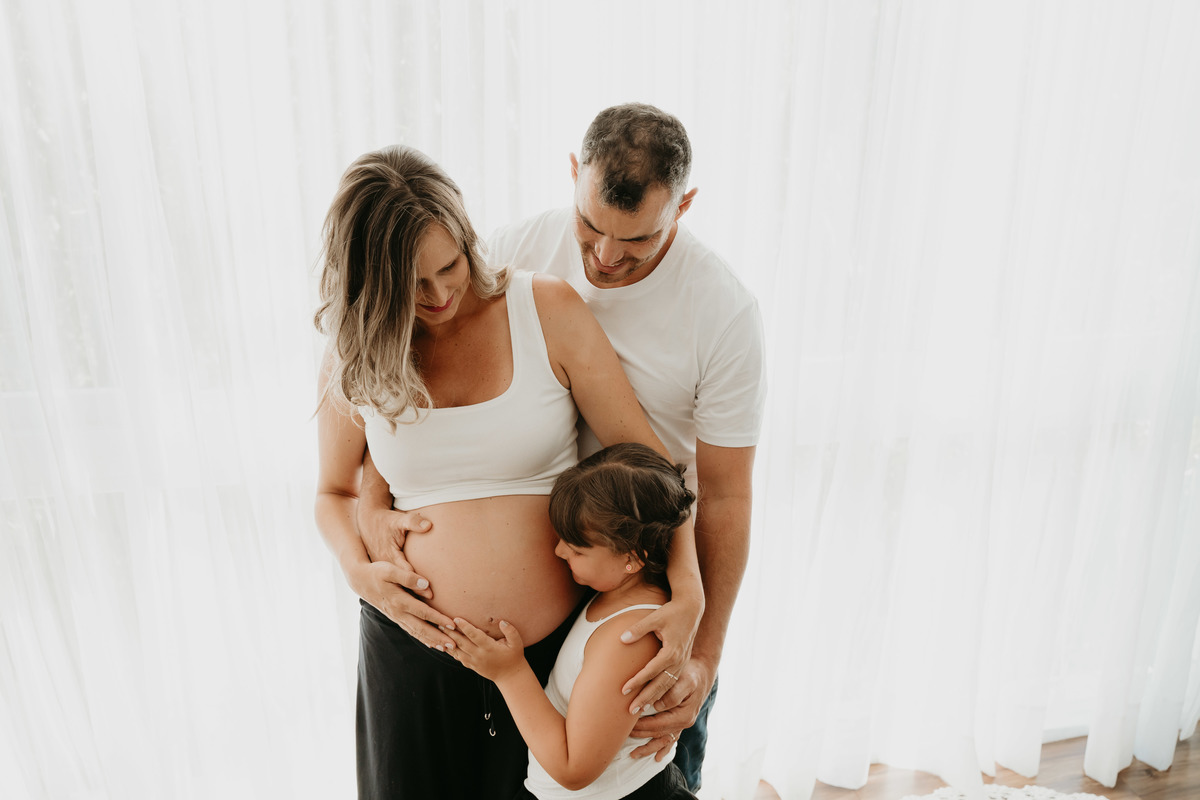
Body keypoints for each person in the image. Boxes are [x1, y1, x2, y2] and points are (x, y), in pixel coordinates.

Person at [361, 103, 767, 790]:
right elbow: (412, 395)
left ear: (684, 205)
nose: (604, 257)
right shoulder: (510, 255)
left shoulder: (723, 314)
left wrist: (701, 648)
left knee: (646, 776)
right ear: (574, 173)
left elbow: (725, 495)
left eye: (637, 239)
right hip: (568, 578)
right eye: (589, 225)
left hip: (650, 583)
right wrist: (372, 498)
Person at [446, 443, 699, 800]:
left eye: (578, 549)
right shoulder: (614, 594)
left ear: (634, 556)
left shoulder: (629, 638)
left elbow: (573, 769)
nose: (559, 550)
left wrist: (509, 673)